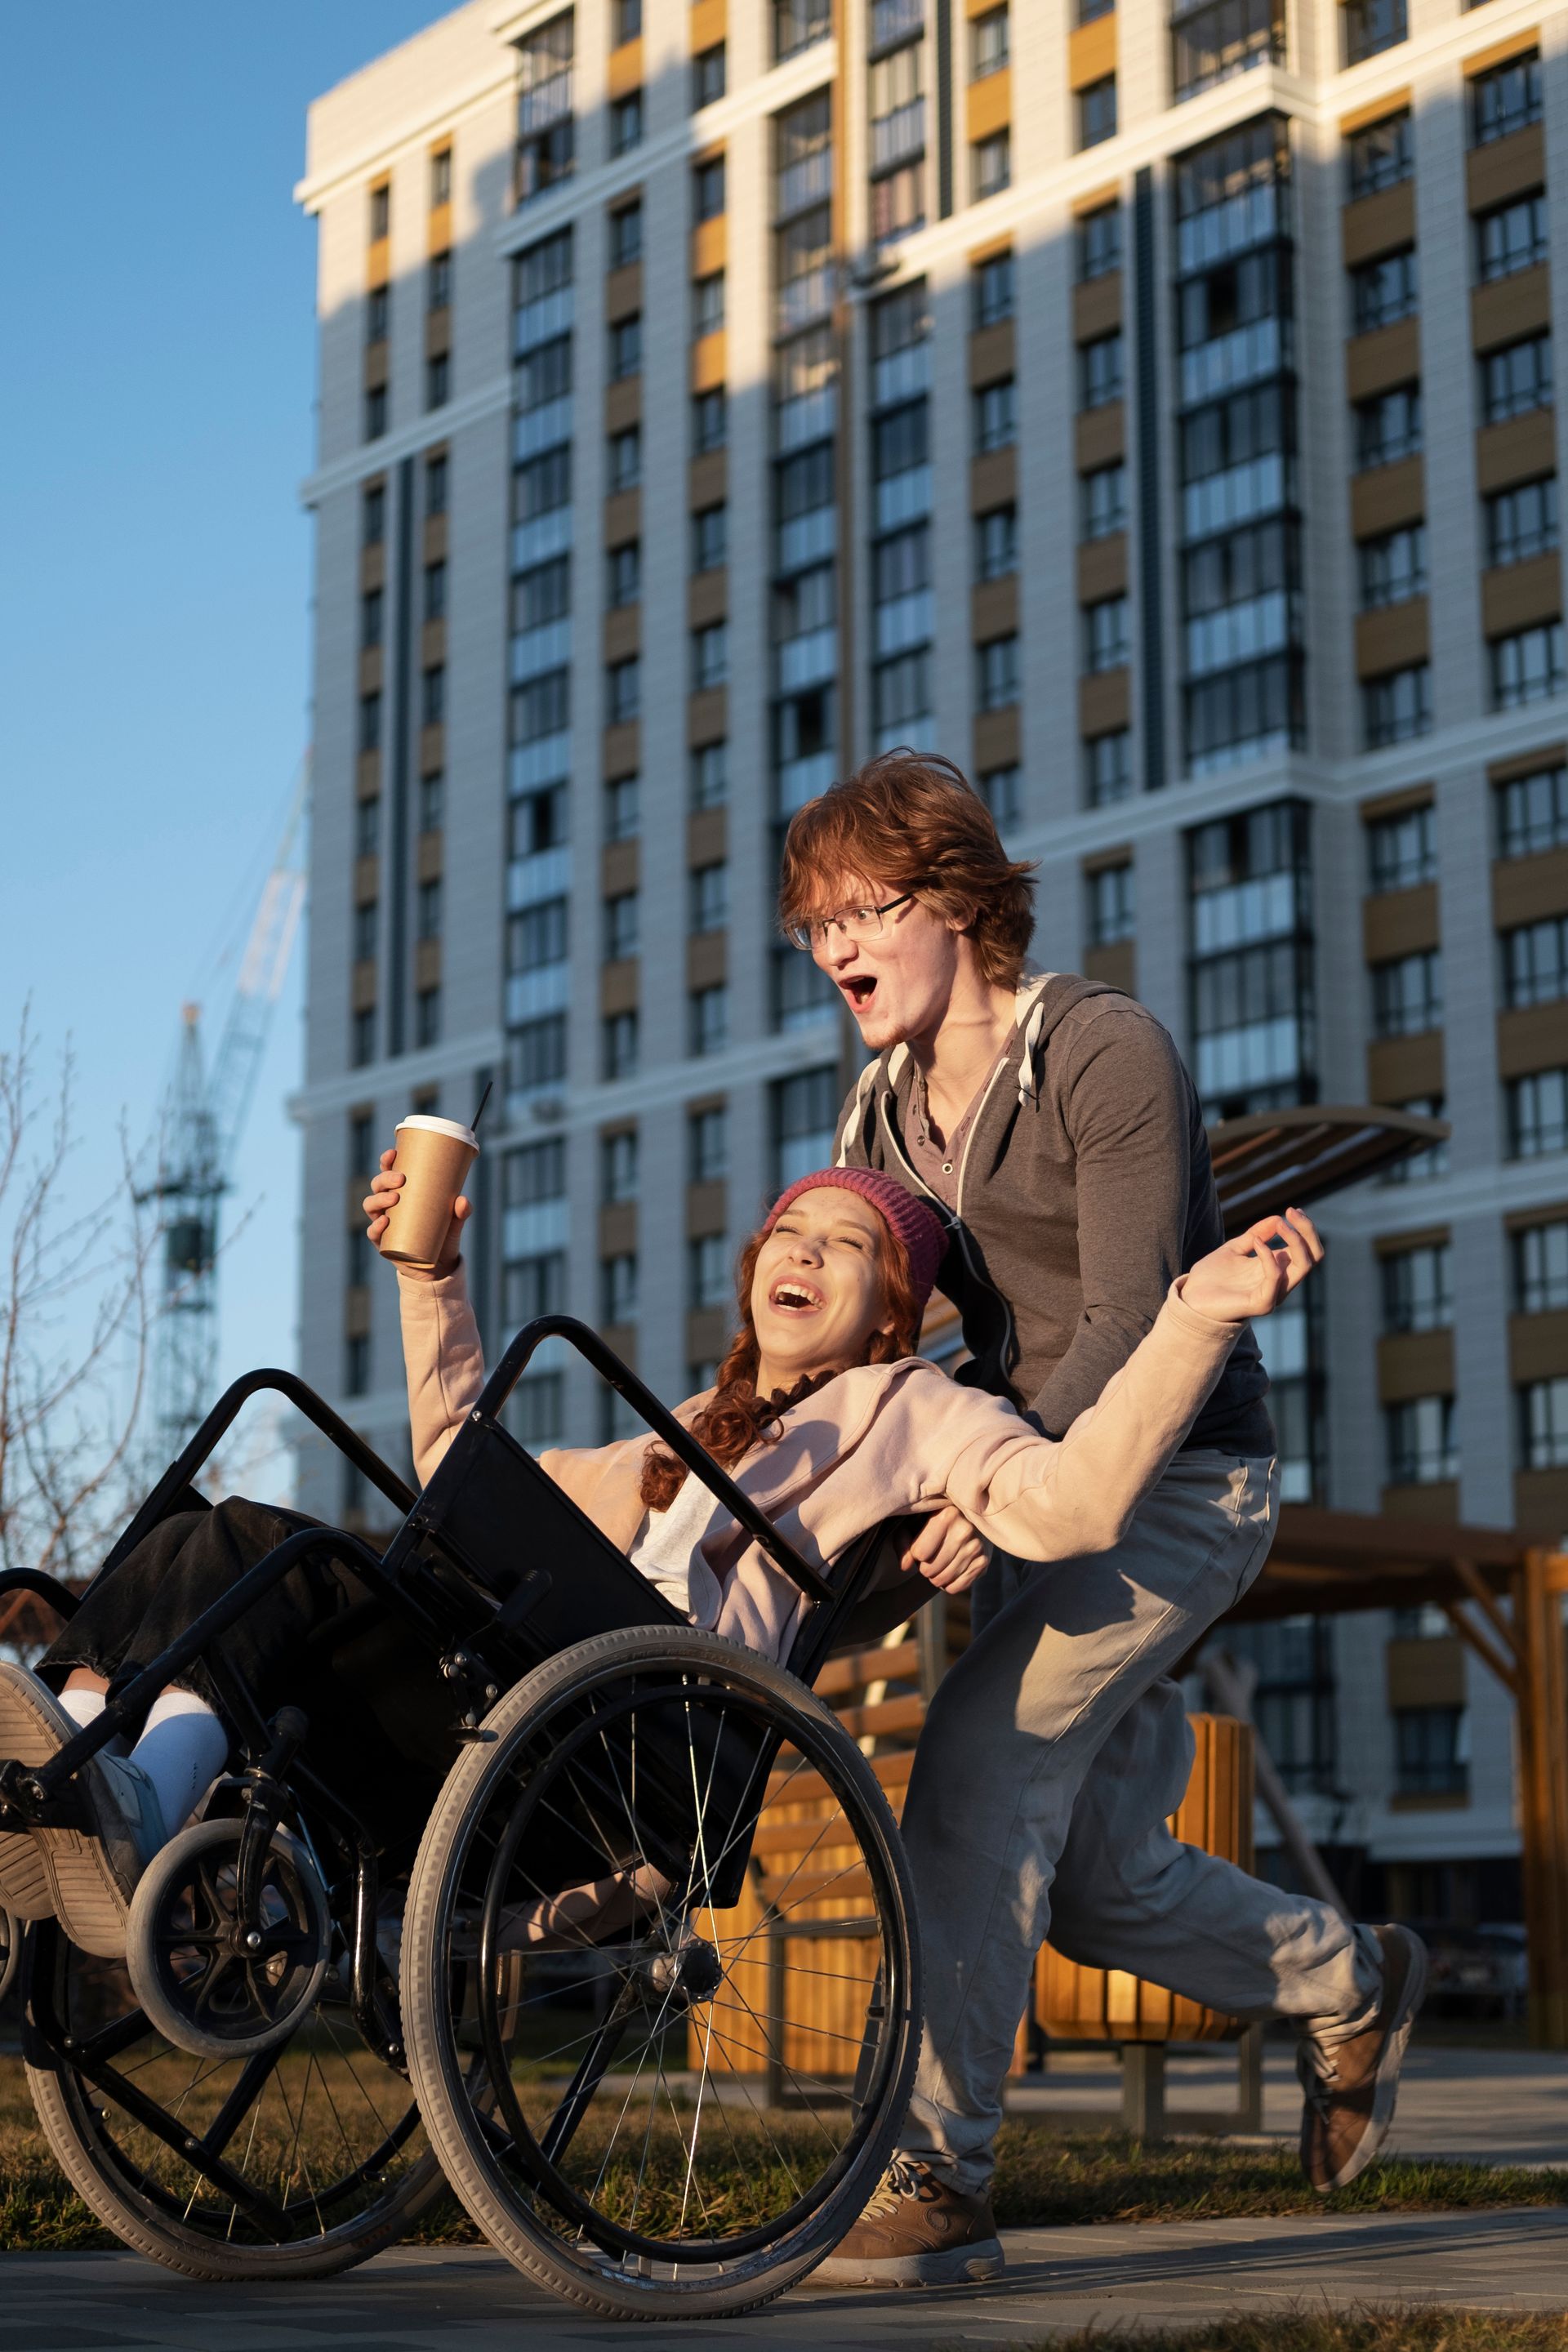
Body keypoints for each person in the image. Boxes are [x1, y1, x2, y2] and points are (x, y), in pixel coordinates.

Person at [0, 1157, 1314, 1969]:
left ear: (897, 1310)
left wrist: (1195, 1316)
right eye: (788, 1237)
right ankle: (91, 1766)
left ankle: (123, 1789)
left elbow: (1076, 1505)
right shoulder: (692, 1429)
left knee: (273, 1551)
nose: (802, 1254)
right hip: (524, 1688)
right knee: (224, 1530)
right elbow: (465, 1456)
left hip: (638, 1747)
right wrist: (434, 1268)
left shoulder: (915, 1408)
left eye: (845, 1246)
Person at [773, 751, 1426, 2284]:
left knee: (979, 1769)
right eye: (818, 927)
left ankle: (937, 2174)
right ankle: (1355, 1984)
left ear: (962, 901)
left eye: (867, 910)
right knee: (1092, 1884)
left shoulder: (1103, 1050)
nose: (838, 950)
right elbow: (887, 1342)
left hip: (1186, 1480)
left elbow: (1134, 1316)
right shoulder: (880, 1109)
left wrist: (1007, 1494)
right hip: (1042, 1485)